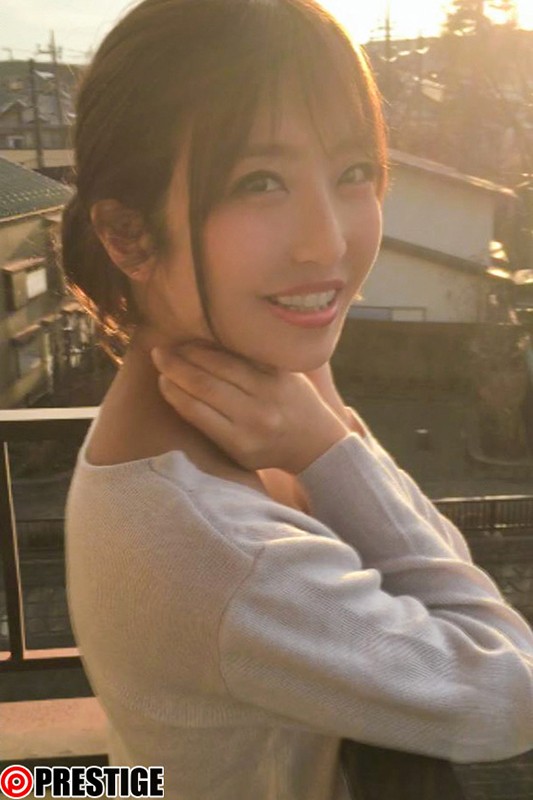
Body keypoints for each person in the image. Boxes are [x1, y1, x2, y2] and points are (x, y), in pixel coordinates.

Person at [63, 1, 533, 798]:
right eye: (259, 183)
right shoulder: (213, 544)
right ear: (129, 234)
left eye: (353, 173)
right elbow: (507, 692)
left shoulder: (253, 401)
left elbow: (425, 567)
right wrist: (329, 451)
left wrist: (320, 423)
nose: (328, 241)